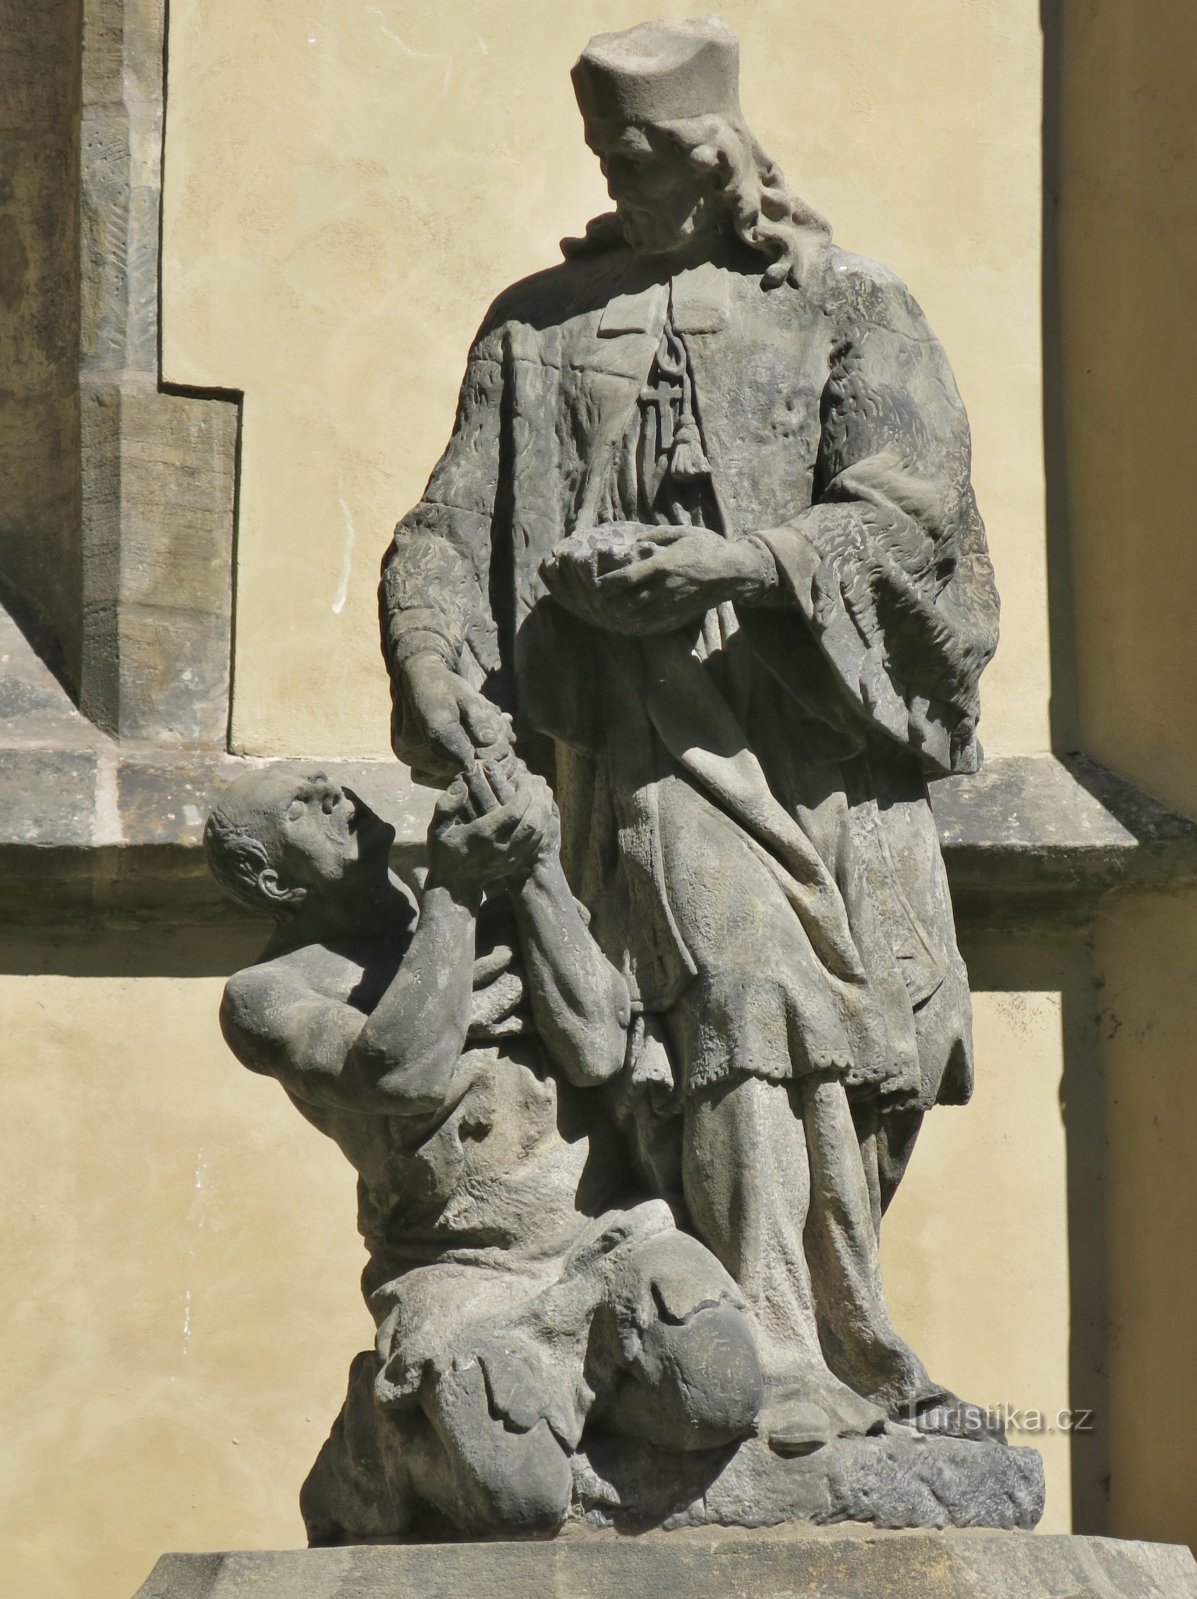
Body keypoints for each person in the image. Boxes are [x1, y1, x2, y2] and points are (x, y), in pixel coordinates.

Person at [378, 19, 1000, 1442]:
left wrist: (744, 562)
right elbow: (442, 530)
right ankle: (760, 1343)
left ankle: (812, 1333)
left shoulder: (843, 305)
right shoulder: (538, 323)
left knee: (824, 1051)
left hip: (810, 753)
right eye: (605, 152)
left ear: (720, 153)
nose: (621, 172)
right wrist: (432, 666)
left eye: (646, 151)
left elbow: (921, 519)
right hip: (633, 754)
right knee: (731, 996)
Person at [204, 756, 763, 1541]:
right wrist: (452, 897)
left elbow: (600, 1047)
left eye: (327, 782)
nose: (333, 794)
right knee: (521, 1501)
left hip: (603, 1238)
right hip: (463, 1278)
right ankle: (384, 1447)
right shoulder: (269, 994)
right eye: (300, 806)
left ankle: (581, 1424)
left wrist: (536, 868)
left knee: (722, 1391)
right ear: (271, 881)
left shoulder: (494, 912)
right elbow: (402, 1074)